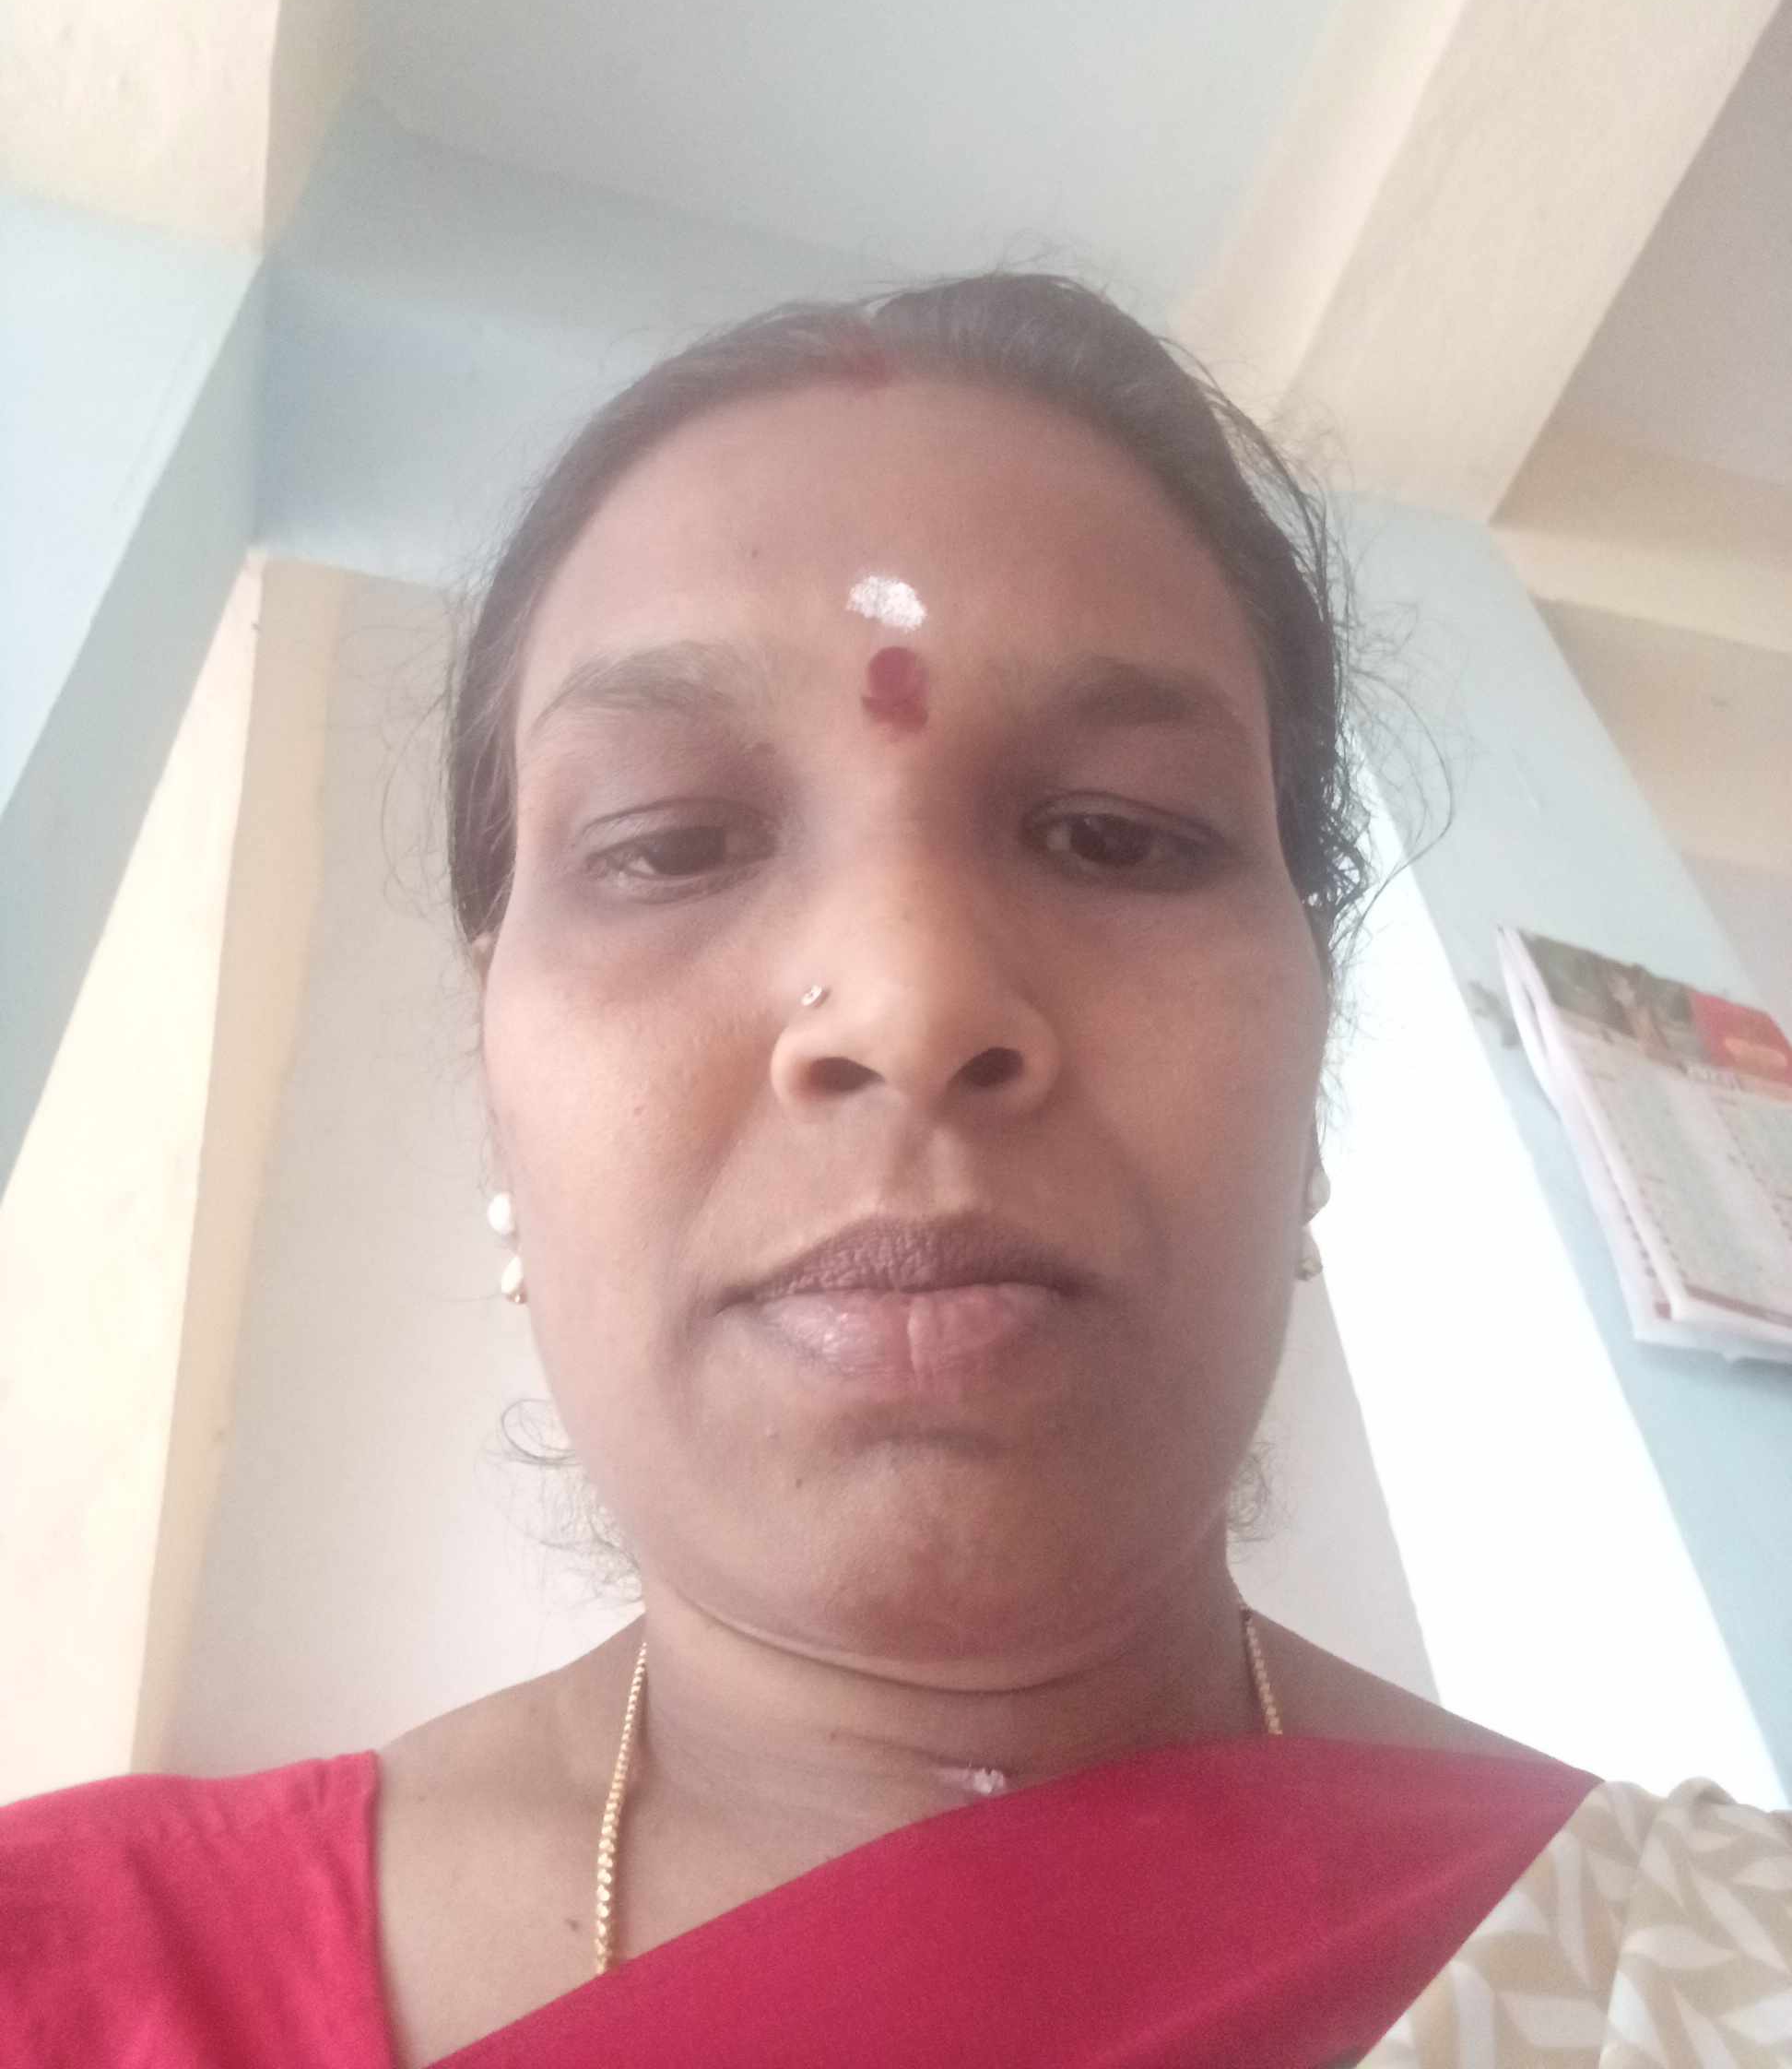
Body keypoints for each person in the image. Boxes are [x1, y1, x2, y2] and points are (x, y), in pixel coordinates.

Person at [3, 275, 1786, 2065]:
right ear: (497, 1089)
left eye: (1116, 836)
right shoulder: (61, 1980)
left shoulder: (1715, 1972)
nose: (914, 1000)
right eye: (670, 843)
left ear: (1313, 1065)